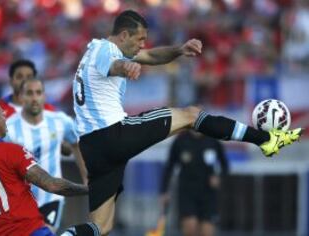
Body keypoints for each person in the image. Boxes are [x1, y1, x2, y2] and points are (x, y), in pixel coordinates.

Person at [72, 9, 303, 235]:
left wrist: (180, 50)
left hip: (93, 150)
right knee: (192, 115)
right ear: (123, 35)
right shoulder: (106, 50)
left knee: (100, 228)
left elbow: (152, 56)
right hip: (113, 134)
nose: (143, 45)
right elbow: (114, 65)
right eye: (140, 39)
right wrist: (126, 67)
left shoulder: (95, 51)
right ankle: (265, 140)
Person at [0, 93, 99, 236]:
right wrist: (89, 189)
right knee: (88, 231)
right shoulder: (12, 151)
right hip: (31, 230)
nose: (6, 119)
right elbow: (51, 184)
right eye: (2, 115)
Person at [5, 78, 88, 231]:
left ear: (44, 96)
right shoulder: (9, 128)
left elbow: (76, 144)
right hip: (20, 201)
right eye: (29, 93)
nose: (34, 98)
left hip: (51, 198)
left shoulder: (59, 121)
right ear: (21, 97)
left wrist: (86, 177)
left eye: (38, 93)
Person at [160, 130, 229, 236]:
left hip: (208, 193)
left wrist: (218, 178)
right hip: (187, 192)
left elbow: (225, 165)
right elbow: (169, 167)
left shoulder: (213, 140)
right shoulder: (180, 141)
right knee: (190, 228)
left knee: (207, 232)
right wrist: (164, 190)